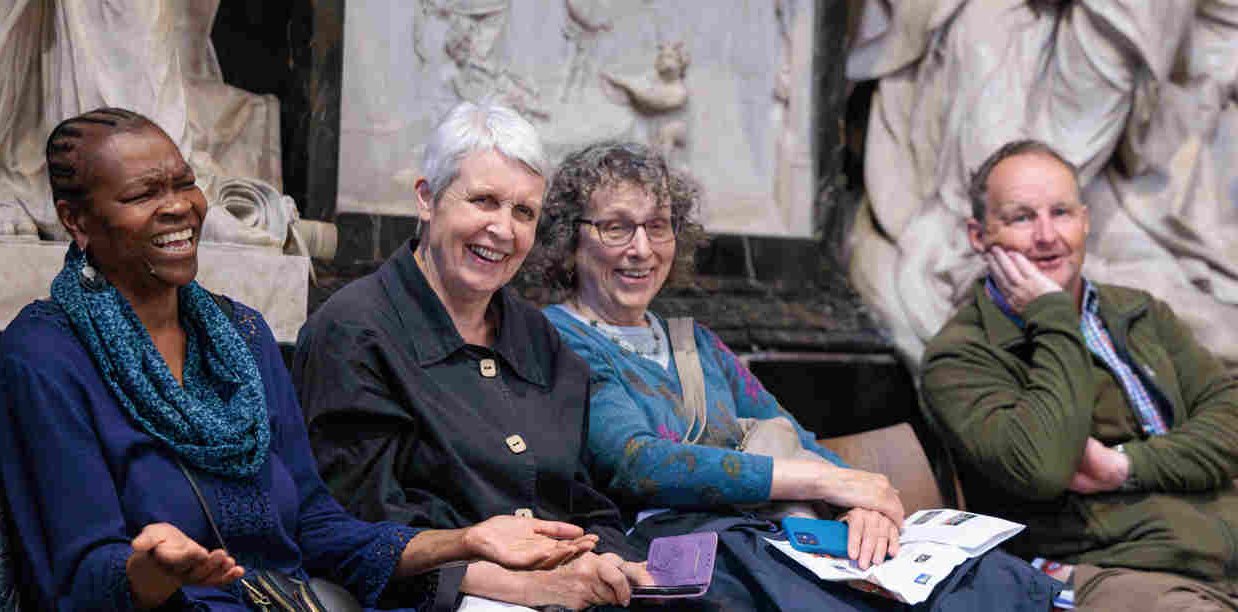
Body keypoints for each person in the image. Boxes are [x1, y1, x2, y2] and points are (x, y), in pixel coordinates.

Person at [0, 107, 597, 611]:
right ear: (76, 221)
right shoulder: (48, 355)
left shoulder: (240, 334)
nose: (178, 207)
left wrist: (468, 541)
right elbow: (79, 580)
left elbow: (319, 528)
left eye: (183, 183)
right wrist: (150, 572)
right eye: (144, 193)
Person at [530, 140, 1062, 611]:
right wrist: (832, 480)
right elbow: (636, 463)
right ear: (570, 241)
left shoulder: (694, 341)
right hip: (673, 554)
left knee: (984, 580)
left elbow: (793, 434)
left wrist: (862, 503)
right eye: (617, 226)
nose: (641, 248)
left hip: (762, 532)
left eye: (658, 226)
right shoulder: (559, 337)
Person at [294, 101, 653, 612]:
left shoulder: (539, 338)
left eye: (523, 212)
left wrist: (607, 560)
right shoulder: (353, 333)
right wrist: (526, 588)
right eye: (484, 201)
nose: (503, 230)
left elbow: (577, 497)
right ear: (427, 198)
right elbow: (354, 533)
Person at [920, 139, 1238, 611]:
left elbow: (1230, 420)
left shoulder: (1138, 312)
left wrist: (1125, 466)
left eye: (1062, 212)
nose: (1047, 236)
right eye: (1022, 217)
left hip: (1218, 550)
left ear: (1085, 221)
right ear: (978, 235)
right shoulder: (961, 356)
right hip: (1116, 572)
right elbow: (1043, 467)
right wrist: (1052, 317)